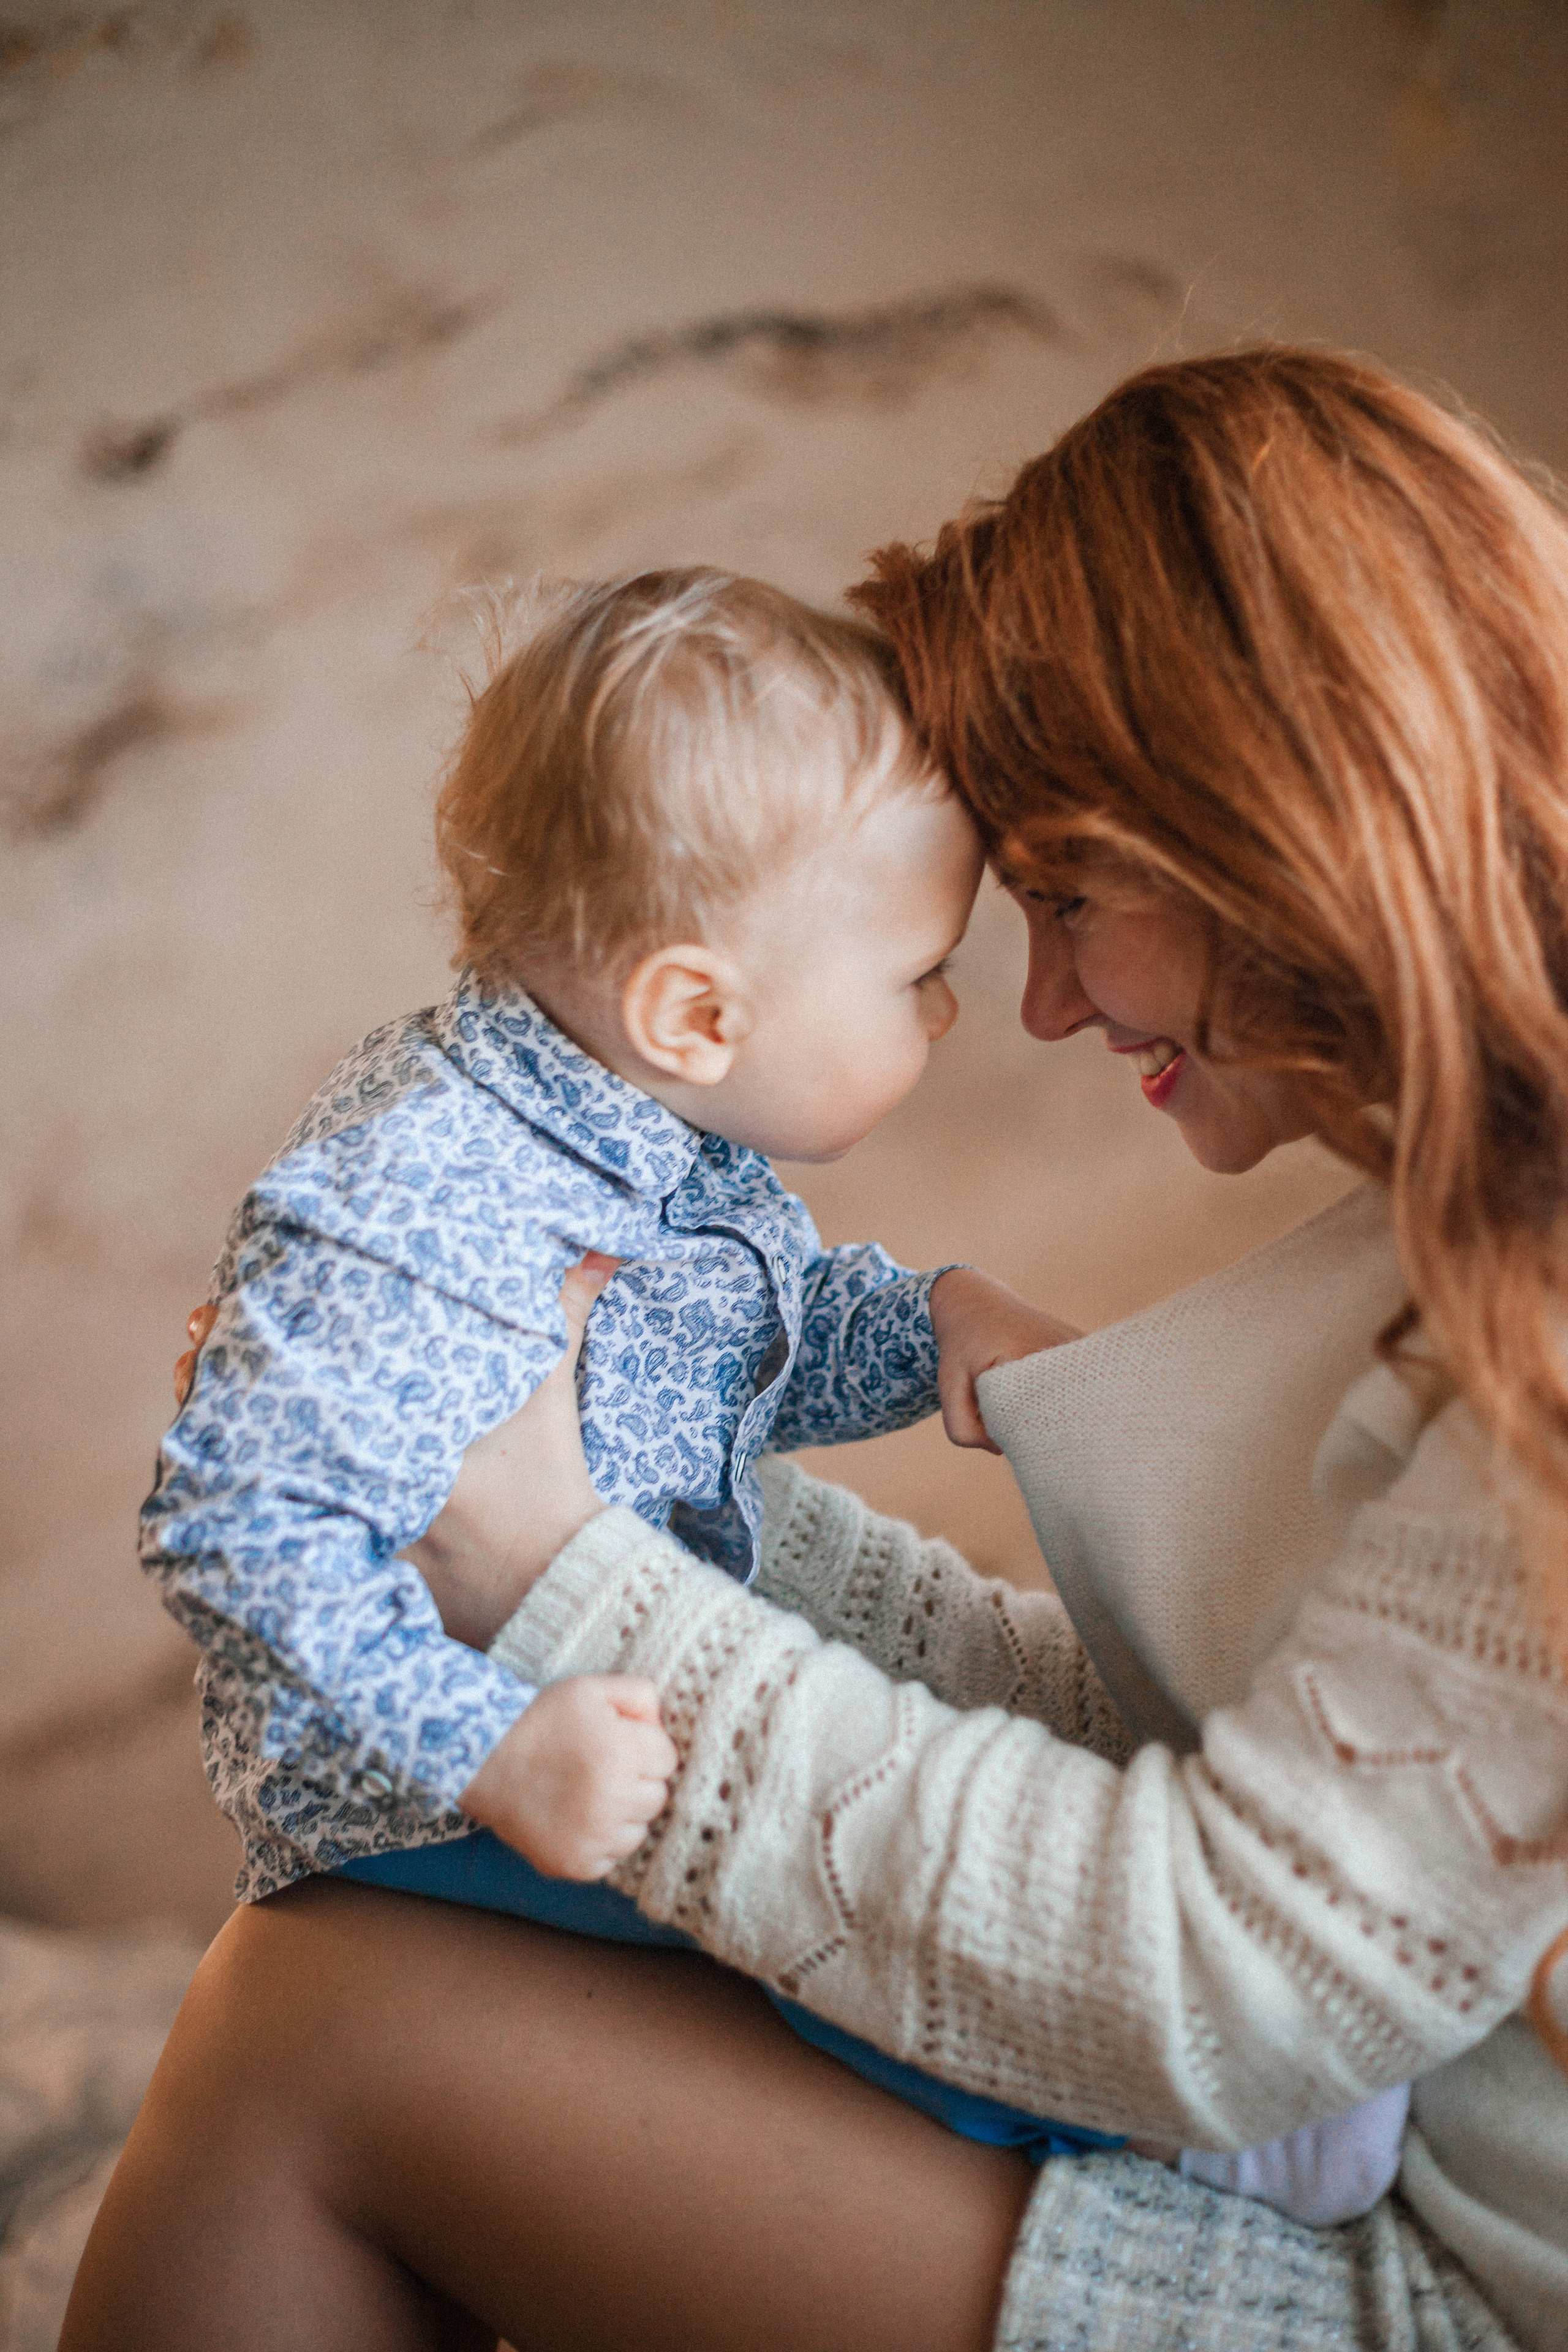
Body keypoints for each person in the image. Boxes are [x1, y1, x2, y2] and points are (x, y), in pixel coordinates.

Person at [64, 347, 1568, 2352]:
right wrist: (629, 1516)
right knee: (326, 1986)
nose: (1034, 1008)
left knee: (307, 2024)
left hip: (1454, 2289)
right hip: (1397, 2155)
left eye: (1068, 895)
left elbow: (1212, 1980)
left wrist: (560, 1578)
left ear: (1264, 818)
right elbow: (1210, 1766)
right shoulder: (1481, 1217)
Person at [145, 567, 1066, 1898]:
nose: (945, 1014)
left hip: (593, 1751)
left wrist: (930, 1327)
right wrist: (494, 1750)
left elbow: (695, 1375)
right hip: (436, 1836)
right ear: (694, 1013)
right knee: (931, 1951)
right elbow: (236, 1524)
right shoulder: (423, 1199)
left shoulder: (648, 1132)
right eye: (919, 973)